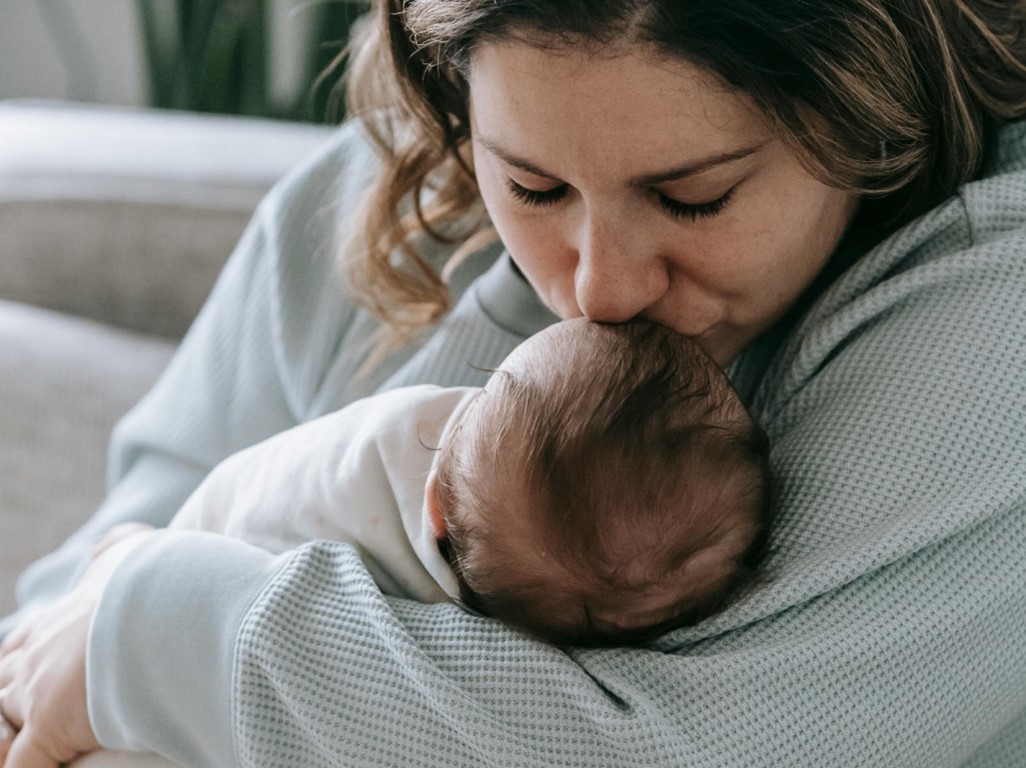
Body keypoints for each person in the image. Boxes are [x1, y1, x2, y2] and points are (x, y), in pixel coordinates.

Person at [0, 0, 1024, 766]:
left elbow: (682, 749)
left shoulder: (990, 304)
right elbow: (58, 611)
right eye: (532, 185)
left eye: (691, 197)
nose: (601, 289)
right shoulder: (385, 196)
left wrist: (161, 635)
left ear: (868, 104)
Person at [155, 317, 773, 647]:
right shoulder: (381, 459)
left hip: (193, 567)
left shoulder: (400, 459)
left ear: (437, 509)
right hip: (196, 550)